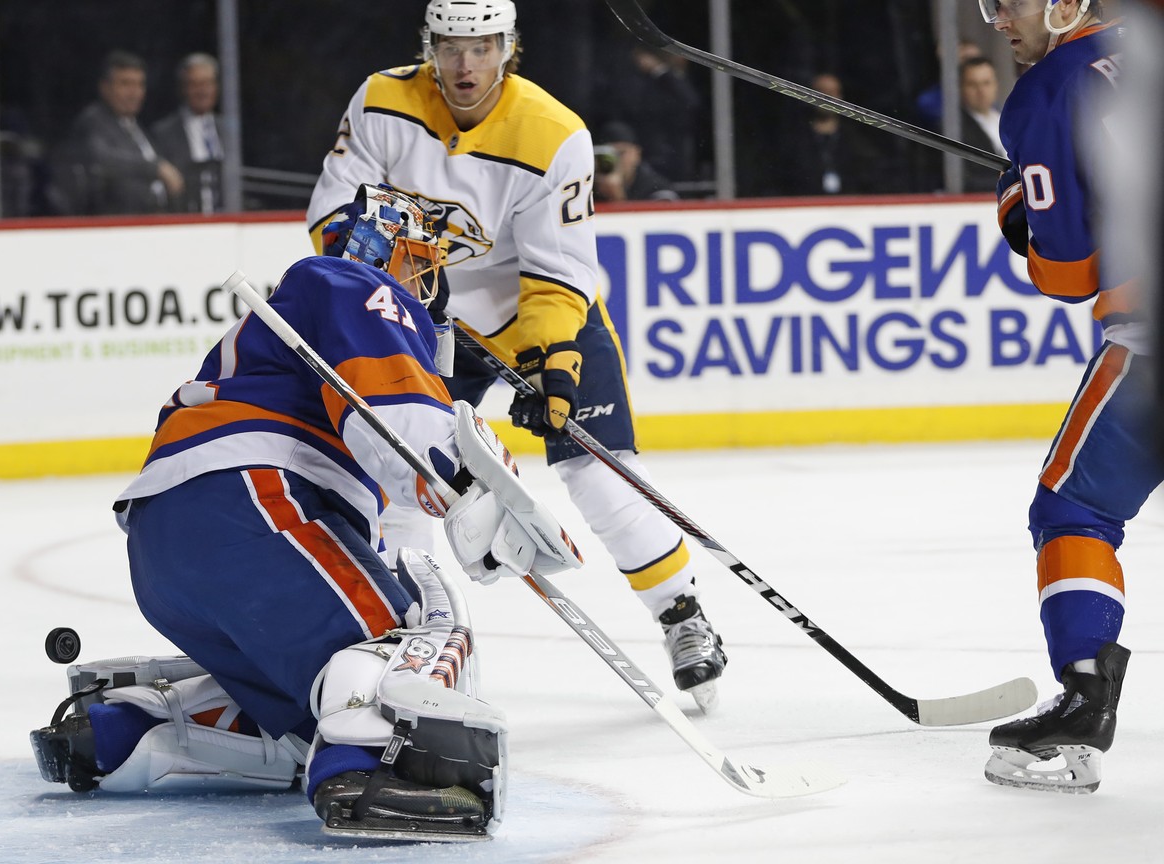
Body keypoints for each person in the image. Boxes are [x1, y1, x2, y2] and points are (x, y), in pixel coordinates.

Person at [29, 184, 581, 841]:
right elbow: (396, 420)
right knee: (406, 632)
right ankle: (371, 766)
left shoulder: (312, 306)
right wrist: (473, 491)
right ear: (390, 246)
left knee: (307, 707)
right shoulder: (353, 282)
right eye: (427, 256)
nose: (435, 277)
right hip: (253, 500)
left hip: (172, 539)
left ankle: (125, 732)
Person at [306, 0, 729, 707]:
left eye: (482, 47)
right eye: (450, 46)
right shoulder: (383, 101)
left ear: (509, 47)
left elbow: (557, 272)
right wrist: (401, 282)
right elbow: (332, 215)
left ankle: (681, 613)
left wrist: (552, 366)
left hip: (538, 317)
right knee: (407, 470)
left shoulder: (552, 133)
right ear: (430, 46)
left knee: (597, 474)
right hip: (424, 318)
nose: (465, 64)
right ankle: (404, 629)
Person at [976, 0, 1157, 794]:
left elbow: (1069, 272)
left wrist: (1023, 212)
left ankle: (1085, 699)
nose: (995, 21)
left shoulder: (1047, 89)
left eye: (1007, 2)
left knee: (1073, 508)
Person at [49, 50, 184, 215]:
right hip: (116, 225)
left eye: (139, 84)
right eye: (125, 84)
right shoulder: (93, 121)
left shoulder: (138, 128)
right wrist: (155, 168)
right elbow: (101, 159)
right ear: (105, 88)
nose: (134, 93)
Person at [758, 72, 895, 197]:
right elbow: (779, 181)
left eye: (832, 93)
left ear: (840, 97)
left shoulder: (857, 140)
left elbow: (874, 180)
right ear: (809, 97)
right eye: (821, 93)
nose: (827, 99)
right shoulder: (793, 141)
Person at [595, 44, 702, 186]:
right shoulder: (635, 80)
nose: (638, 61)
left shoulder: (666, 79)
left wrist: (658, 68)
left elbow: (690, 101)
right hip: (647, 152)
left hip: (670, 154)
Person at [150, 53, 226, 214]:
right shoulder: (164, 133)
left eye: (207, 83)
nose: (202, 91)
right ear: (183, 88)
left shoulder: (229, 130)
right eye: (195, 84)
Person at [950, 56, 1007, 190]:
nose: (981, 91)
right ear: (960, 88)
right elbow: (964, 179)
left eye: (986, 83)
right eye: (972, 84)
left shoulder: (1007, 118)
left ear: (996, 84)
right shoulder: (953, 128)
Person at [593, 120, 678, 203]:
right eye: (608, 156)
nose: (616, 159)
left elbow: (661, 216)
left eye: (621, 153)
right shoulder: (588, 186)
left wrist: (617, 197)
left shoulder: (657, 187)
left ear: (637, 154)